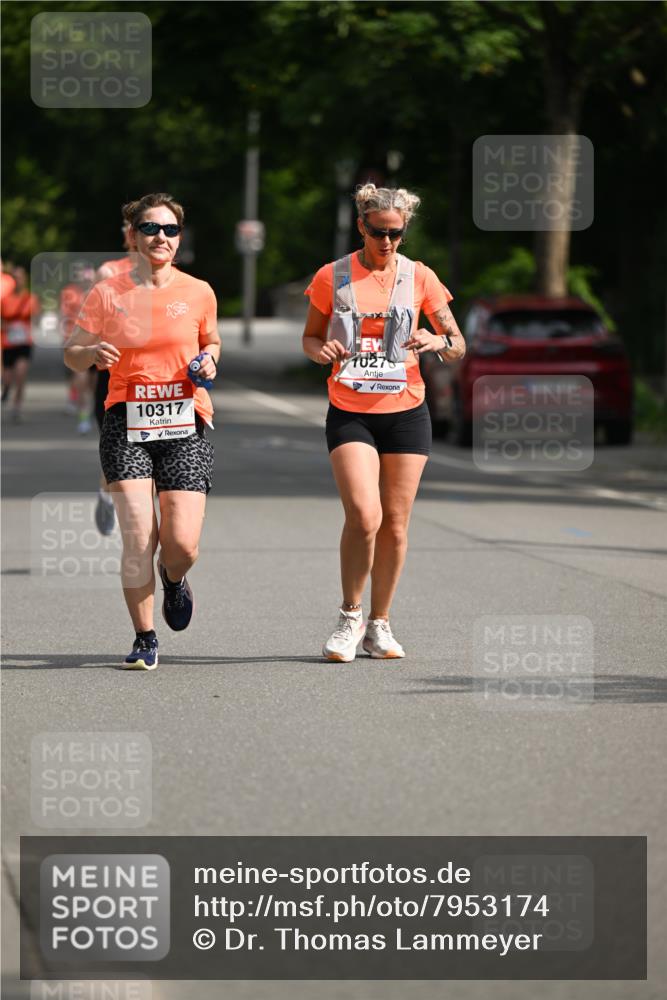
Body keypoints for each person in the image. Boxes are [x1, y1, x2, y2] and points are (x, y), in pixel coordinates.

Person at [302, 183, 465, 662]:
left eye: (397, 234)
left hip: (407, 411)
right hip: (351, 409)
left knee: (395, 523)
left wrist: (437, 342)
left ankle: (380, 624)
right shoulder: (333, 276)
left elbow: (457, 343)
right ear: (362, 227)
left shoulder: (420, 277)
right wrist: (323, 350)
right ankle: (349, 616)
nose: (388, 242)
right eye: (379, 232)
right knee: (364, 514)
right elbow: (310, 339)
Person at [64, 193, 220, 671]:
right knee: (138, 535)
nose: (161, 238)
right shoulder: (108, 292)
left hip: (184, 421)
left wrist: (209, 359)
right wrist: (91, 354)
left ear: (179, 238)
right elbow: (72, 352)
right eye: (151, 228)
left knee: (183, 544)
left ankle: (173, 579)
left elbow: (210, 339)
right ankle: (144, 636)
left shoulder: (198, 291)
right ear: (132, 236)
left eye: (170, 230)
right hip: (125, 421)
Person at [92, 214, 138, 536]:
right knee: (118, 454)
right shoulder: (109, 271)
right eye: (141, 228)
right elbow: (94, 323)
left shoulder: (173, 275)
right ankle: (107, 493)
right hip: (113, 377)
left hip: (155, 383)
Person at [1, 266, 40, 421]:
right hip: (8, 343)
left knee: (21, 374)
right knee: (8, 377)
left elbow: (36, 320)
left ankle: (17, 406)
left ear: (24, 280)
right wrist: (6, 326)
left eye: (20, 277)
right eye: (15, 278)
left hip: (25, 343)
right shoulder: (4, 300)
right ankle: (6, 389)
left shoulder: (31, 299)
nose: (18, 280)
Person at [59, 266, 96, 429]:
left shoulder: (101, 293)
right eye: (83, 277)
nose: (86, 280)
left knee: (94, 384)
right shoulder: (69, 292)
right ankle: (83, 417)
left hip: (96, 342)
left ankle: (94, 412)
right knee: (80, 379)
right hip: (76, 341)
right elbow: (64, 316)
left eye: (89, 277)